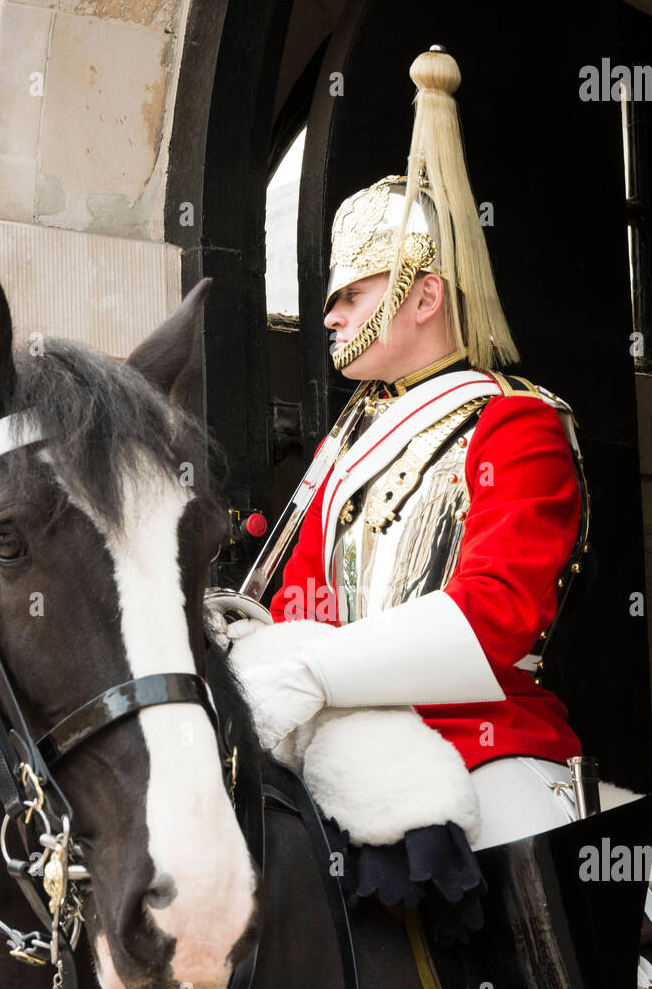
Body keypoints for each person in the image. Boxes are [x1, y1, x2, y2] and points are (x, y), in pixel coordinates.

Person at [238, 46, 588, 852]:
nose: (329, 319)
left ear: (423, 293)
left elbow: (495, 615)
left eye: (350, 296)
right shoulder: (346, 447)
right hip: (343, 748)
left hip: (486, 741)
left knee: (540, 910)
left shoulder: (515, 426)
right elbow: (300, 607)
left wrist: (314, 672)